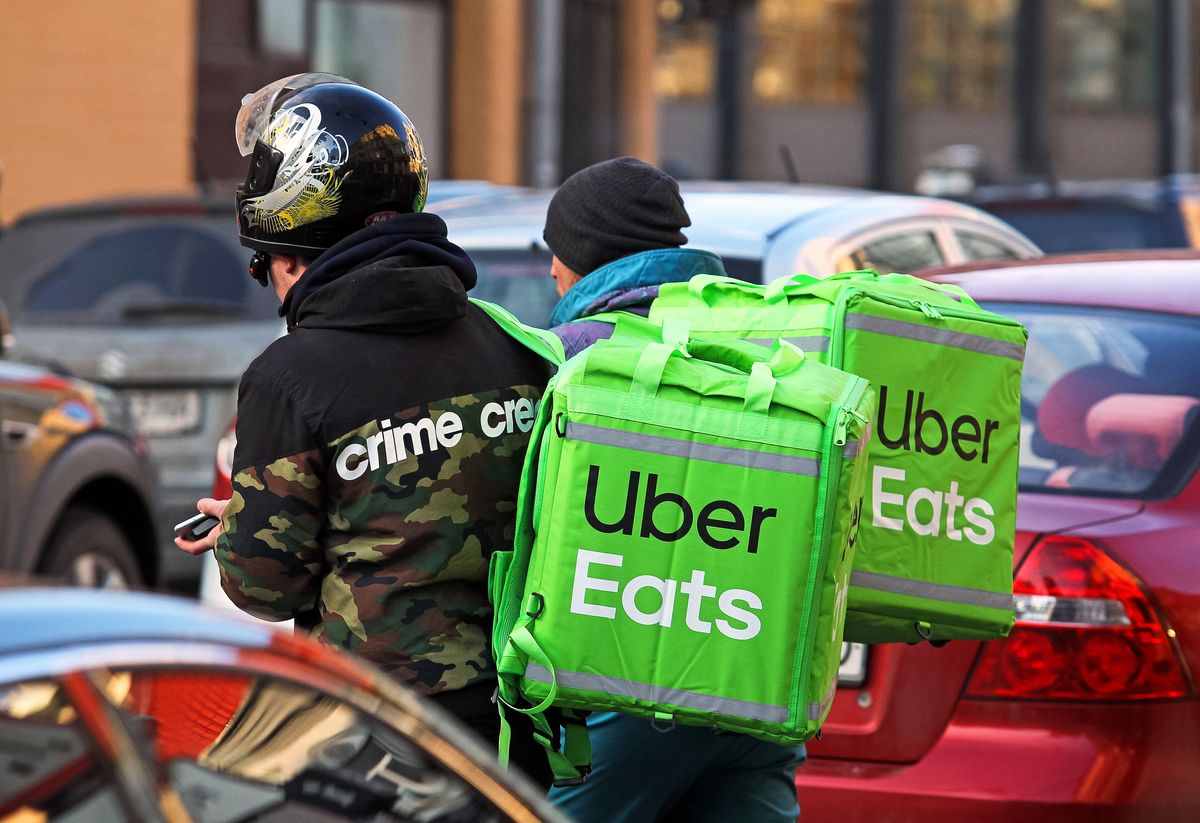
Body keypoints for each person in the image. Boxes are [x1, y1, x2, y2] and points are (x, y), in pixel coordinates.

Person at [174, 73, 553, 786]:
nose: (273, 287)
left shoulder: (290, 376)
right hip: (513, 728)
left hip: (377, 738)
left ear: (292, 250)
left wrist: (243, 530)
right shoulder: (511, 345)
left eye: (265, 266)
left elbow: (265, 586)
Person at [541, 156, 804, 821]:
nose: (550, 270)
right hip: (755, 689)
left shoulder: (569, 358)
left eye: (557, 252)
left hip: (628, 688)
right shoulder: (760, 345)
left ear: (588, 258)